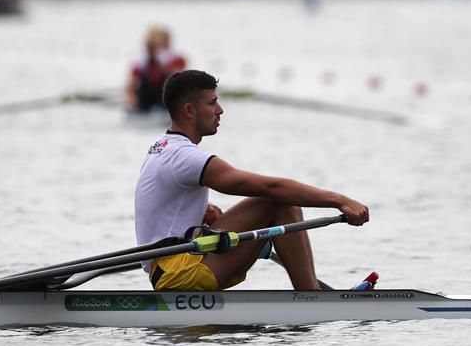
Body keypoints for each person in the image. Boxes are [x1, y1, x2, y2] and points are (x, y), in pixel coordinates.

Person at [134, 70, 369, 291]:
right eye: (212, 102)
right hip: (179, 272)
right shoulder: (184, 156)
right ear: (189, 110)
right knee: (277, 200)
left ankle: (310, 296)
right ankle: (312, 300)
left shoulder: (161, 148)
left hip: (169, 266)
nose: (220, 110)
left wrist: (197, 213)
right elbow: (271, 187)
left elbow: (163, 210)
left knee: (276, 202)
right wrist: (339, 200)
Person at [124, 35, 169, 113]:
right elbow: (130, 86)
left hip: (160, 101)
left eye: (154, 49)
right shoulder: (139, 65)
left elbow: (172, 82)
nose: (151, 52)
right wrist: (132, 100)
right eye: (150, 49)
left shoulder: (165, 64)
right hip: (144, 100)